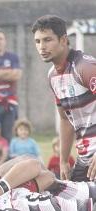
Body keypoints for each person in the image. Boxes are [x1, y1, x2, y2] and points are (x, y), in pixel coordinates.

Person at [32, 15, 96, 181]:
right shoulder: (52, 76)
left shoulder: (85, 67)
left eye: (47, 40)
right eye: (37, 41)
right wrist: (63, 160)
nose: (42, 47)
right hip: (85, 159)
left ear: (63, 40)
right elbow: (65, 119)